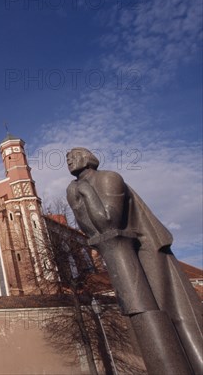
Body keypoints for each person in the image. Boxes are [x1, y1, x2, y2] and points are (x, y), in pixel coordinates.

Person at [66, 147, 203, 374]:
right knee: (141, 316)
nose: (69, 160)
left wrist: (86, 193)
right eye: (66, 158)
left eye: (73, 155)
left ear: (88, 158)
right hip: (117, 255)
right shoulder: (76, 188)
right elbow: (96, 234)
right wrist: (77, 202)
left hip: (144, 251)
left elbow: (109, 222)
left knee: (169, 312)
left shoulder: (110, 178)